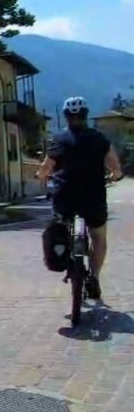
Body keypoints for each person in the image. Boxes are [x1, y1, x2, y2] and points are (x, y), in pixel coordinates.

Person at [38, 96, 122, 300]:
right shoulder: (99, 139)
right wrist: (115, 175)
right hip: (93, 197)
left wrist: (41, 176)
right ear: (85, 115)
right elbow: (115, 166)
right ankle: (94, 276)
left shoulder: (58, 140)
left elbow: (45, 169)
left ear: (66, 117)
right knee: (98, 237)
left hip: (65, 197)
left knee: (61, 227)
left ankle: (67, 259)